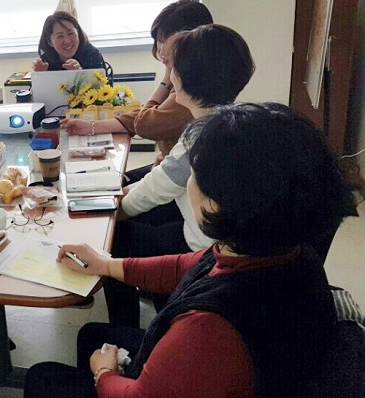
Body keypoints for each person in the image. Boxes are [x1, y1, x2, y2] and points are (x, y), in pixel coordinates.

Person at [24, 102, 353, 398]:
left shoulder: (208, 328)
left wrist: (104, 373)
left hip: (185, 373)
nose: (188, 183)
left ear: (219, 202)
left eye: (193, 175)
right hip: (235, 371)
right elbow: (187, 265)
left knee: (43, 378)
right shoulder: (281, 250)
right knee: (92, 335)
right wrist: (106, 264)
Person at [104, 24, 255, 326]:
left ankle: (123, 330)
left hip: (204, 248)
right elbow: (162, 178)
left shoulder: (201, 135)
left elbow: (159, 186)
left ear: (184, 79)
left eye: (173, 67)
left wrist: (110, 213)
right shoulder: (233, 119)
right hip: (224, 237)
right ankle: (161, 297)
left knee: (115, 238)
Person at [62, 0, 213, 178]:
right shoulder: (194, 79)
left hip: (177, 178)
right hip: (166, 166)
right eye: (159, 41)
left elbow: (144, 123)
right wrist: (92, 127)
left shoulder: (190, 92)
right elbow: (148, 115)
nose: (161, 50)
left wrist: (165, 81)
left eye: (166, 41)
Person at [32, 11, 106, 72]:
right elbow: (37, 86)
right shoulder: (45, 61)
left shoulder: (92, 55)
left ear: (78, 32)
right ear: (49, 42)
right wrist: (40, 75)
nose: (67, 41)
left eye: (71, 33)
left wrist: (79, 74)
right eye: (60, 36)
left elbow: (104, 84)